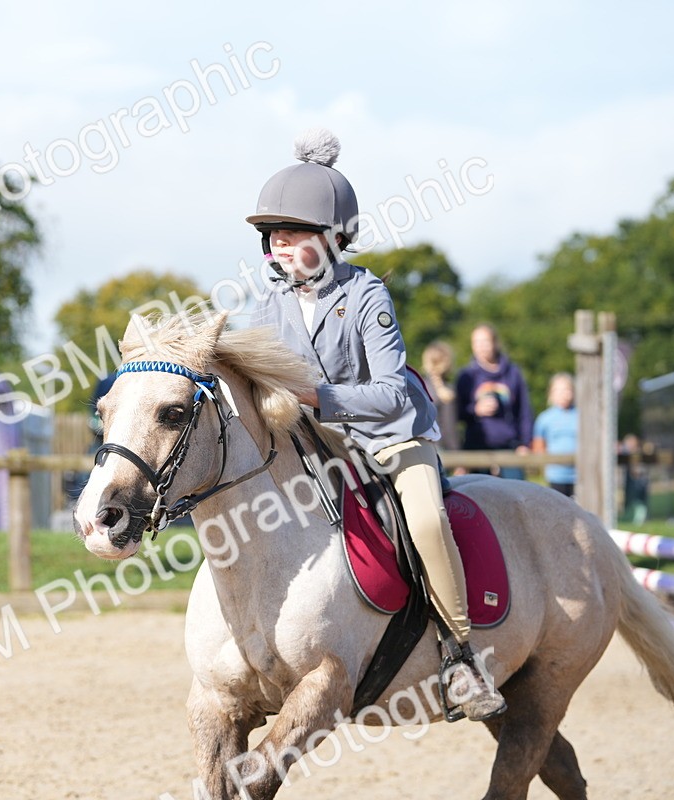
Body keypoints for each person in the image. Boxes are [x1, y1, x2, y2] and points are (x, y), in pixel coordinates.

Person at [247, 128, 505, 721]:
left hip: (393, 440)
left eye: (290, 233)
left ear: (332, 237)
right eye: (272, 235)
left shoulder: (367, 296)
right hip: (319, 446)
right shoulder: (270, 306)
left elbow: (390, 395)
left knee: (426, 518)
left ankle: (462, 655)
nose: (277, 245)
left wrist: (315, 395)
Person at [456, 324, 534, 480]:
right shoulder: (466, 376)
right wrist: (475, 410)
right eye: (476, 342)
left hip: (509, 446)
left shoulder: (513, 373)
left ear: (495, 342)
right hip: (477, 446)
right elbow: (456, 413)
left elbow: (524, 410)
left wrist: (525, 443)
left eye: (485, 341)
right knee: (478, 497)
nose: (481, 347)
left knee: (516, 495)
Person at [532, 373, 578, 497]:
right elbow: (539, 446)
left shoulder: (581, 416)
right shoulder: (545, 418)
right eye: (558, 390)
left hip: (579, 475)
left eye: (566, 389)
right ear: (551, 393)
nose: (563, 394)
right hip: (556, 475)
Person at [421, 340, 460, 452]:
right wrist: (458, 456)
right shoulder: (448, 393)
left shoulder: (418, 386)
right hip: (442, 450)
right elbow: (449, 429)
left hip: (422, 449)